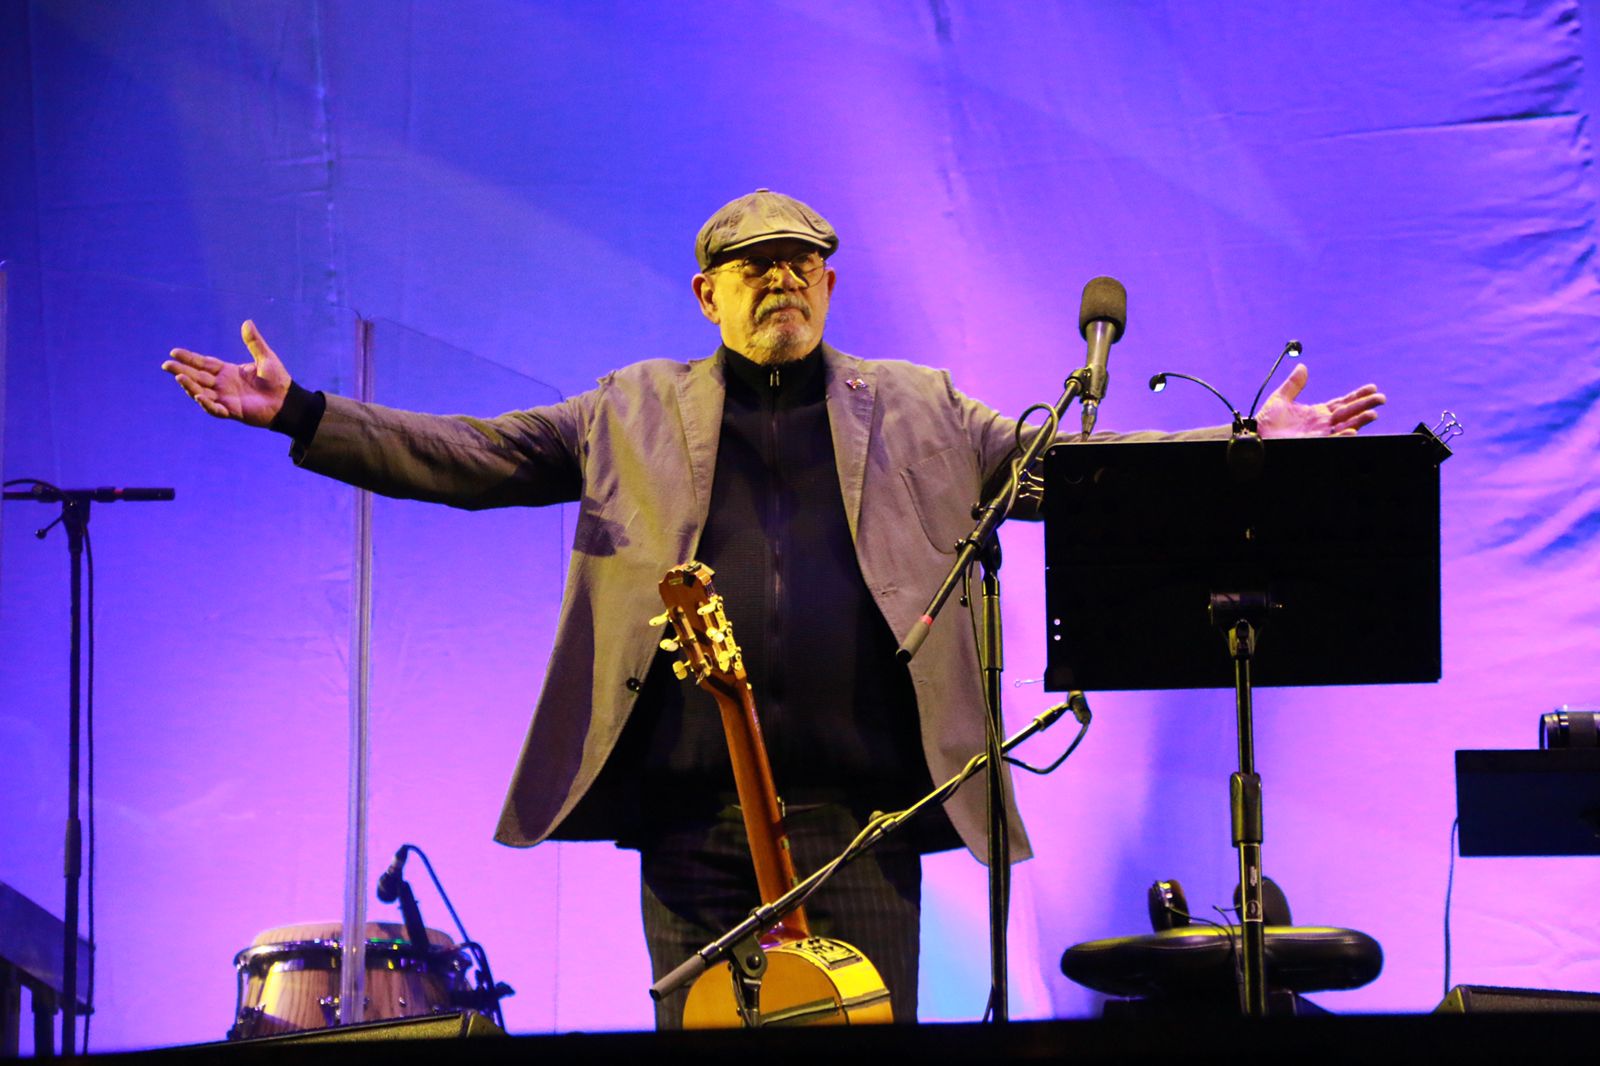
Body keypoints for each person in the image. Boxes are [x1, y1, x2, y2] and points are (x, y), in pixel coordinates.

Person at [162, 190, 1385, 1027]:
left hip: (863, 823)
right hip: (691, 830)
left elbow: (1068, 468)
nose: (780, 279)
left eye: (800, 262)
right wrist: (305, 415)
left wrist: (1246, 443)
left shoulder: (916, 405)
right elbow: (473, 455)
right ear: (708, 295)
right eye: (754, 266)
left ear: (830, 282)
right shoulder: (627, 409)